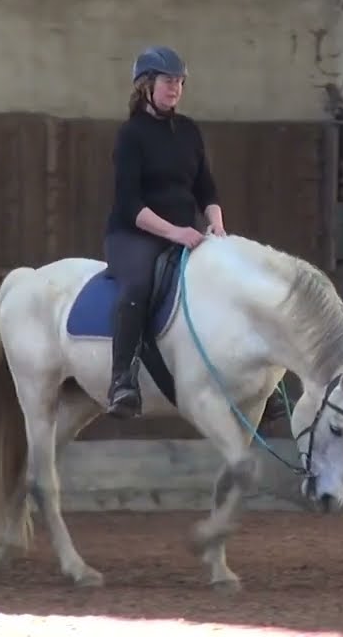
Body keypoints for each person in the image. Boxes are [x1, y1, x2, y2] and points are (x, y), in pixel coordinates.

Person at [102, 45, 226, 419]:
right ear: (146, 86)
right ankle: (122, 380)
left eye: (180, 82)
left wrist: (217, 225)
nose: (175, 88)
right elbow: (130, 205)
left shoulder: (188, 131)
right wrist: (176, 232)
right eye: (168, 81)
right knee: (137, 286)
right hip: (134, 235)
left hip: (185, 232)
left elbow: (206, 188)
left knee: (228, 281)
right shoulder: (131, 135)